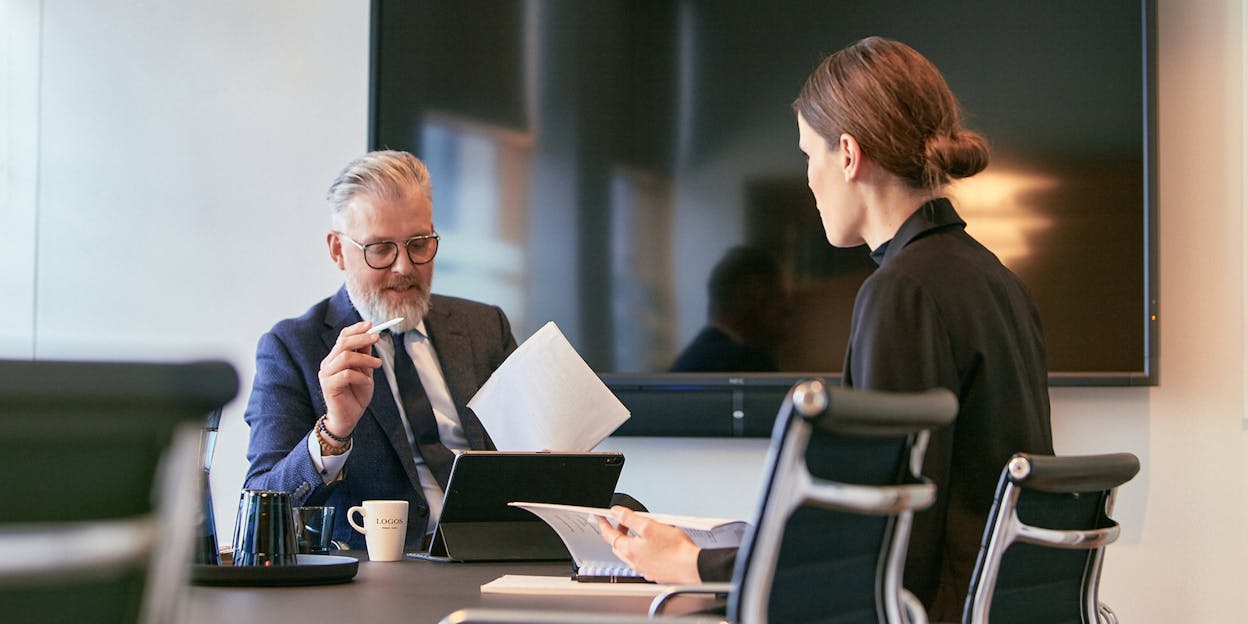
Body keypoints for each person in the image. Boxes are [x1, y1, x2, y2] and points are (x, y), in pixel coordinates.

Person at [599, 36, 1053, 621]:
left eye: (808, 154)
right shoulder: (996, 280)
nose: (810, 180)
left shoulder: (902, 291)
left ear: (847, 154)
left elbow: (873, 539)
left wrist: (694, 565)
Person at [243, 150, 517, 551]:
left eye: (418, 244)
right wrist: (333, 433)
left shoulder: (484, 327)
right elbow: (261, 507)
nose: (404, 267)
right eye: (380, 249)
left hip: (492, 558)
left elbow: (528, 453)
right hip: (378, 580)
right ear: (338, 250)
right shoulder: (292, 348)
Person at [668, 246, 789, 372]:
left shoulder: (689, 358)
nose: (787, 309)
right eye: (780, 298)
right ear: (756, 299)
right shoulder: (750, 363)